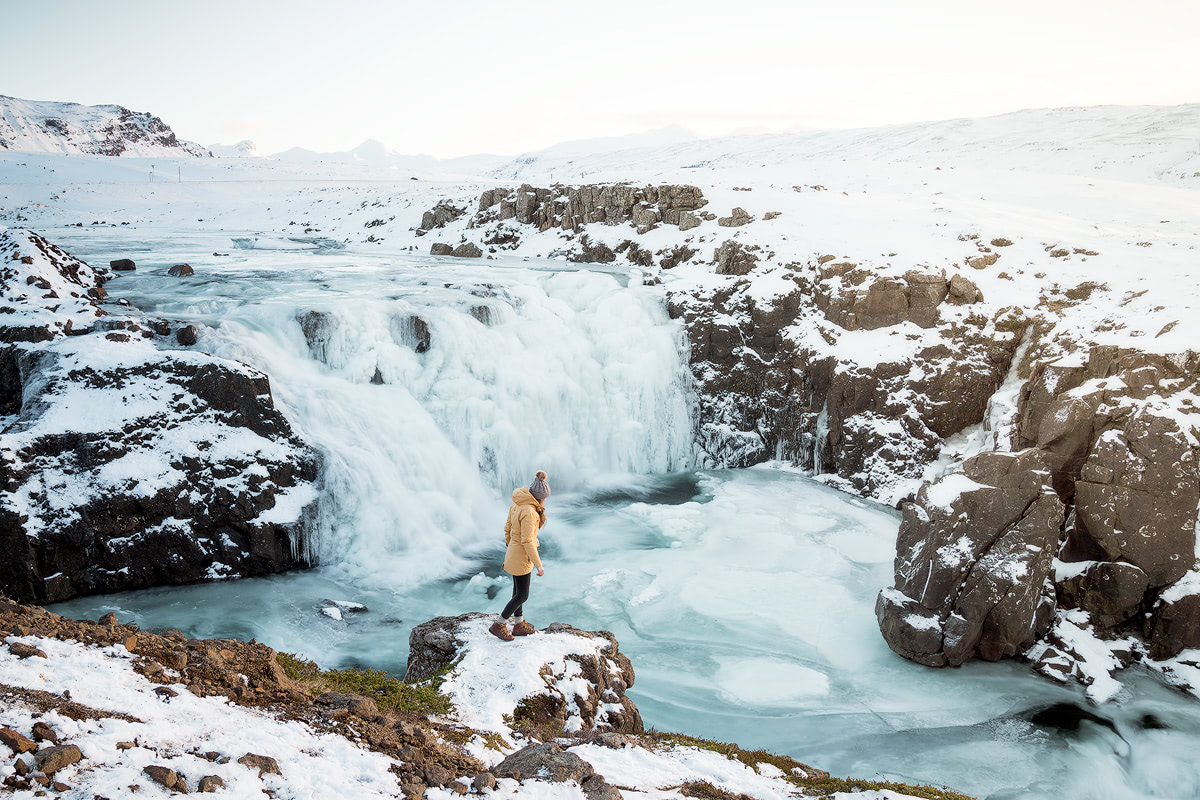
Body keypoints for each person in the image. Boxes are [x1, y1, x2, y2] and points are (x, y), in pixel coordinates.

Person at [490, 470, 550, 641]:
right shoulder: (530, 512)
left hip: (513, 552)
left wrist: (511, 546)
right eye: (545, 497)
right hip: (521, 556)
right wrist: (538, 564)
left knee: (517, 591)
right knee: (523, 595)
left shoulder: (517, 502)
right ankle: (499, 624)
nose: (546, 500)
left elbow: (507, 528)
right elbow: (528, 541)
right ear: (539, 497)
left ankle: (518, 624)